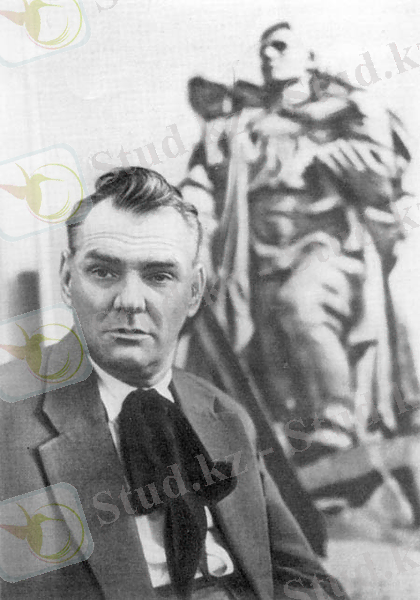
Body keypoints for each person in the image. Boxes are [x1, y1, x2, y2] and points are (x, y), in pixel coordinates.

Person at [0, 167, 348, 599]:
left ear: (195, 291)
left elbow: (308, 580)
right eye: (104, 272)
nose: (130, 301)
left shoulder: (224, 413)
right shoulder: (8, 414)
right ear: (68, 280)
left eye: (159, 275)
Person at [181, 22, 420, 508]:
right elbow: (203, 178)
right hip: (253, 259)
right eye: (264, 49)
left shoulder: (345, 109)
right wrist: (187, 214)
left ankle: (337, 421)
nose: (269, 55)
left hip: (325, 246)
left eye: (281, 46)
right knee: (260, 347)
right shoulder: (242, 123)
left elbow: (383, 168)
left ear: (310, 57)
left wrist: (319, 151)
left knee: (303, 305)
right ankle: (301, 454)